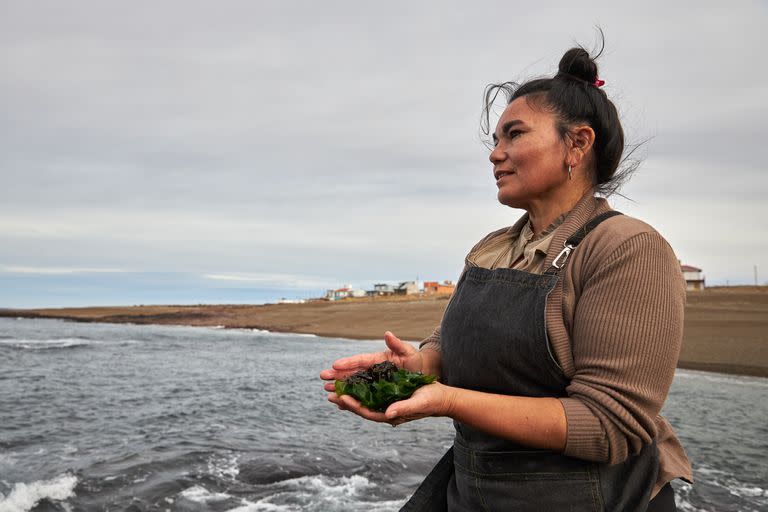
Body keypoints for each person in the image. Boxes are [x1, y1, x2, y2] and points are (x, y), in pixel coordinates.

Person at [320, 41, 692, 511]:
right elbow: (451, 348)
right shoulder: (493, 248)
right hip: (476, 492)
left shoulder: (626, 249)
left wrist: (448, 401)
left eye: (513, 135)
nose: (496, 155)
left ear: (577, 143)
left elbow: (608, 426)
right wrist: (418, 366)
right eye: (495, 141)